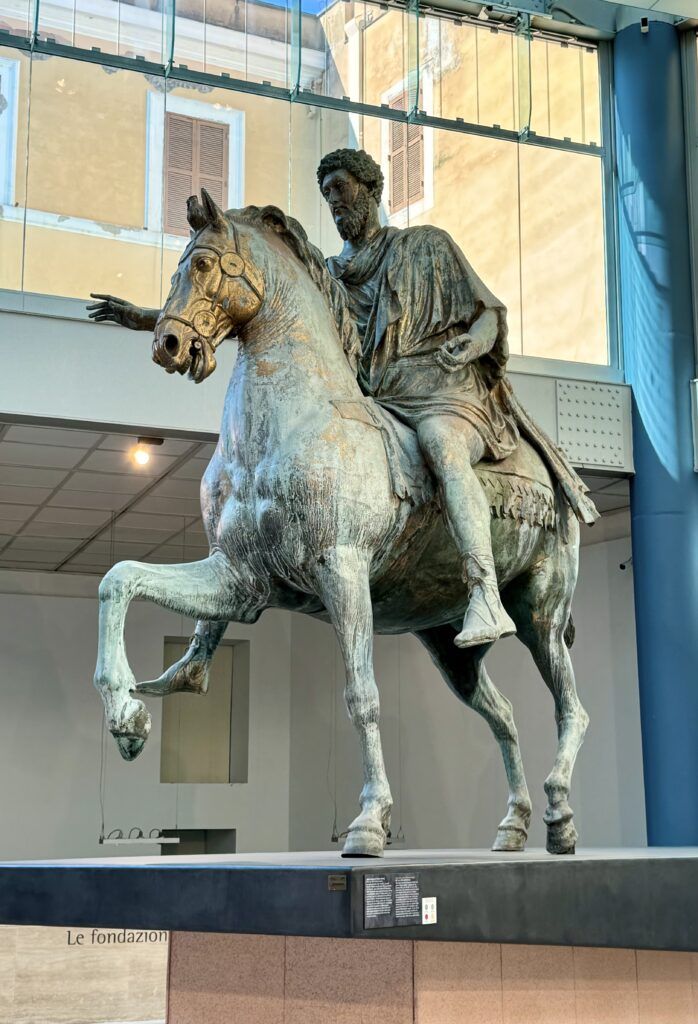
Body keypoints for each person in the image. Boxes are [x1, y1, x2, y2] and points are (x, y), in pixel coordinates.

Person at [88, 148, 597, 648]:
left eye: (341, 189)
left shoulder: (425, 246)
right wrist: (146, 317)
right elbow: (232, 298)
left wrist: (474, 342)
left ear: (370, 190)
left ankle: (484, 590)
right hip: (378, 396)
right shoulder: (330, 276)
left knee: (442, 445)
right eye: (325, 193)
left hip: (441, 389)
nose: (334, 202)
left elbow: (489, 311)